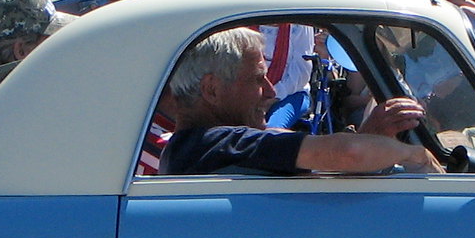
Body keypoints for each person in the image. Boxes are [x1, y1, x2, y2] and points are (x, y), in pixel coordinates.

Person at [157, 26, 434, 175]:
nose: (270, 91)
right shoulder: (214, 143)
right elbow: (346, 153)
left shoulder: (202, 145)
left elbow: (331, 157)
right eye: (257, 80)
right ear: (212, 89)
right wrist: (415, 155)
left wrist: (371, 136)